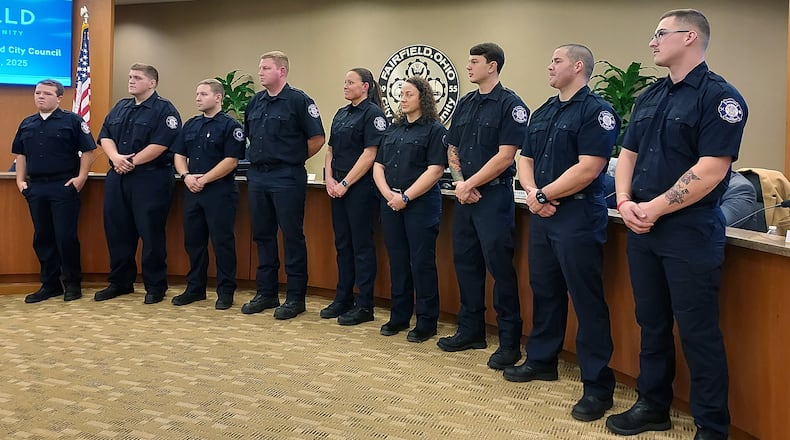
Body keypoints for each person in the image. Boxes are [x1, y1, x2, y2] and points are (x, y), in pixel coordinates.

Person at [609, 10, 747, 440]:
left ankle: (711, 425)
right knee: (650, 322)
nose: (652, 42)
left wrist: (654, 208)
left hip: (689, 232)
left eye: (660, 34)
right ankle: (653, 405)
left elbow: (711, 169)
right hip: (642, 228)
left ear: (690, 37)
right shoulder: (650, 97)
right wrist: (625, 201)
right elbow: (627, 154)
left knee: (697, 331)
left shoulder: (719, 97)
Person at [504, 44, 618, 422]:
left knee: (586, 301)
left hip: (578, 215)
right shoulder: (545, 111)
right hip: (543, 214)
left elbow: (589, 168)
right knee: (544, 290)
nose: (549, 66)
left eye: (556, 61)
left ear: (578, 66)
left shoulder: (596, 111)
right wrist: (534, 195)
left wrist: (541, 194)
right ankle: (541, 360)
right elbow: (526, 158)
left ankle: (597, 386)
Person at [438, 42, 528, 371]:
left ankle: (508, 342)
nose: (469, 66)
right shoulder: (465, 104)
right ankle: (471, 330)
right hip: (466, 196)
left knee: (500, 268)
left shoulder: (510, 104)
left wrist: (470, 184)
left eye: (474, 61)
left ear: (492, 66)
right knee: (466, 263)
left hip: (493, 197)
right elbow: (452, 147)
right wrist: (462, 182)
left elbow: (506, 156)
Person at [241, 51, 325, 319]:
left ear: (282, 71)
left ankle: (295, 297)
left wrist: (291, 159)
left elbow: (317, 138)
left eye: (266, 67)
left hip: (287, 176)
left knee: (291, 236)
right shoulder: (255, 103)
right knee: (263, 235)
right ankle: (266, 293)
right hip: (258, 177)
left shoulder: (298, 101)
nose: (260, 72)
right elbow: (251, 137)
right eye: (260, 67)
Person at [95, 63, 182, 304]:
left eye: (137, 77)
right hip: (118, 176)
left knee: (151, 232)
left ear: (152, 83)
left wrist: (130, 162)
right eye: (130, 76)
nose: (131, 80)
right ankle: (120, 282)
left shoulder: (165, 110)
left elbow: (162, 144)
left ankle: (155, 286)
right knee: (117, 231)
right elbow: (105, 136)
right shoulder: (121, 106)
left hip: (150, 178)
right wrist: (114, 158)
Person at [373, 76, 447, 343]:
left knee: (422, 264)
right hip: (390, 203)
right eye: (400, 95)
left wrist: (405, 197)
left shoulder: (434, 130)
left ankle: (426, 322)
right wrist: (388, 195)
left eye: (408, 95)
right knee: (398, 262)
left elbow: (436, 170)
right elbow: (378, 165)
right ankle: (399, 316)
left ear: (422, 98)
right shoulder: (393, 130)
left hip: (420, 206)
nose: (402, 99)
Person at [11, 79, 96, 303]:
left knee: (65, 237)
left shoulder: (72, 121)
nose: (40, 96)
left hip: (63, 186)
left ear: (59, 98)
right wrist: (21, 181)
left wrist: (81, 178)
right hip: (36, 187)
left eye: (47, 93)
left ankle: (72, 284)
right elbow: (20, 155)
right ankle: (50, 285)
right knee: (42, 238)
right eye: (38, 92)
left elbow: (88, 150)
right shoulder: (27, 123)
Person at [171, 79, 246, 310]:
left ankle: (225, 291)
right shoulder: (191, 124)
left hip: (219, 191)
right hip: (192, 189)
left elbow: (231, 161)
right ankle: (195, 288)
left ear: (218, 98)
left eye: (203, 94)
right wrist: (186, 176)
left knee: (222, 242)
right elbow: (179, 154)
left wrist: (202, 179)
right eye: (197, 93)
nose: (198, 98)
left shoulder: (230, 126)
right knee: (194, 242)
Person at [321, 68, 386, 325]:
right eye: (344, 81)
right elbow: (330, 150)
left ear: (366, 86)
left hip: (360, 189)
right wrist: (329, 178)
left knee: (362, 247)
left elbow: (371, 154)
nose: (345, 86)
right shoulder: (341, 113)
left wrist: (346, 182)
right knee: (342, 245)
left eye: (351, 82)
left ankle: (365, 304)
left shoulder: (373, 114)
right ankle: (343, 298)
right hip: (336, 186)